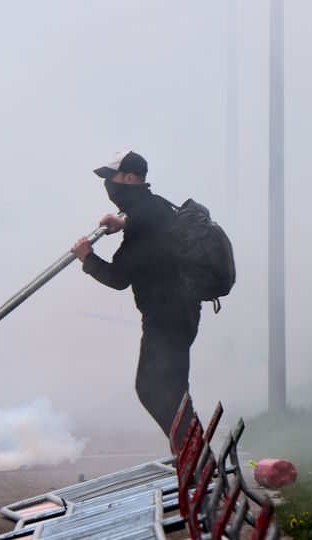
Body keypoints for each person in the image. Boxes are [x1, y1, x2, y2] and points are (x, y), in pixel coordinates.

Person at [71, 150, 201, 445]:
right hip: (178, 310)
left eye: (111, 178)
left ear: (129, 178)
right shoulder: (153, 207)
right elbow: (155, 232)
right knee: (167, 391)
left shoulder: (142, 216)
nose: (108, 185)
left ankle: (196, 462)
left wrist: (87, 257)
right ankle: (196, 461)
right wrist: (124, 224)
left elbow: (118, 278)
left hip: (167, 315)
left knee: (156, 390)